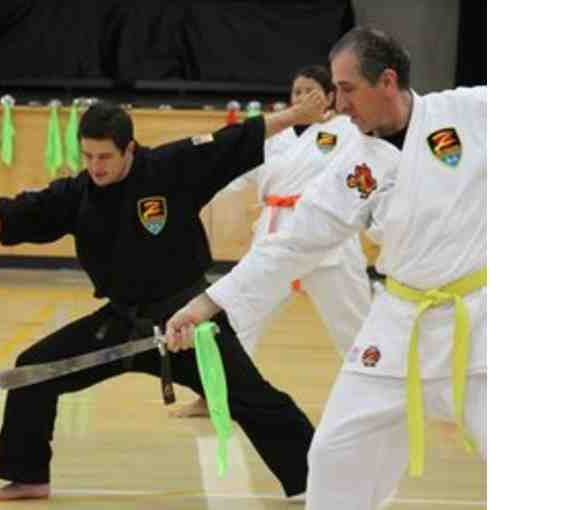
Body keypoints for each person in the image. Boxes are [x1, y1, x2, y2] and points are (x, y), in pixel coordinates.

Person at [165, 26, 486, 510]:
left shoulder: (470, 112)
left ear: (387, 81)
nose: (338, 103)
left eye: (347, 88)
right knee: (335, 454)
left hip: (481, 322)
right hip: (400, 322)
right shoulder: (354, 161)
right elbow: (296, 241)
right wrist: (207, 302)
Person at [0, 94, 330, 501]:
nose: (96, 166)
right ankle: (27, 476)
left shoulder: (170, 167)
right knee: (34, 371)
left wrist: (296, 115)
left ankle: (320, 481)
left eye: (105, 157)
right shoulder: (78, 193)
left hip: (187, 322)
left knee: (253, 399)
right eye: (88, 156)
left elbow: (234, 140)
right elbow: (15, 211)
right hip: (122, 323)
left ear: (129, 148)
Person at [171, 65, 381, 418]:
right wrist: (198, 192)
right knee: (240, 318)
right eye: (297, 92)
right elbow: (235, 171)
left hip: (327, 238)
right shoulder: (273, 134)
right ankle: (213, 396)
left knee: (355, 324)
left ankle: (380, 394)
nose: (302, 98)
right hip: (275, 236)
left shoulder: (347, 129)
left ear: (330, 96)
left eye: (311, 91)